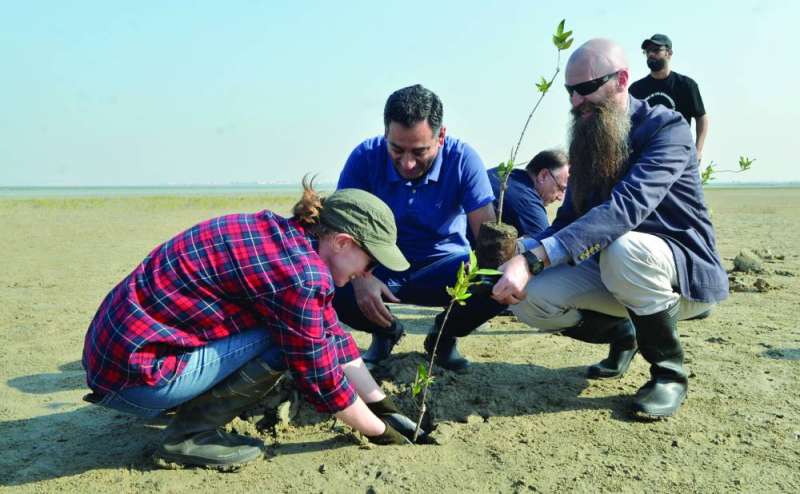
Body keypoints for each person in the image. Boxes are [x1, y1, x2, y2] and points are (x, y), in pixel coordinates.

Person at [82, 180, 421, 470]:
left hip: (117, 361)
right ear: (343, 242)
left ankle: (183, 402)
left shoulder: (282, 237)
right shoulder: (302, 277)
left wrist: (381, 404)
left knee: (301, 330)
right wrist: (379, 432)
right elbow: (321, 376)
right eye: (371, 261)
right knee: (284, 344)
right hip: (139, 379)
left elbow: (332, 332)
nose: (367, 273)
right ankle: (187, 437)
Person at [491, 38, 728, 419]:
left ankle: (669, 374)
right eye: (570, 91)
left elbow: (625, 209)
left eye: (586, 89)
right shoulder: (589, 138)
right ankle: (626, 335)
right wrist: (523, 251)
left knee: (622, 249)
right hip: (617, 272)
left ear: (621, 80)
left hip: (677, 273)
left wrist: (535, 258)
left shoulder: (666, 130)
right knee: (530, 298)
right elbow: (568, 222)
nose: (576, 101)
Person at [334, 84, 505, 373]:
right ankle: (385, 331)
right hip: (380, 267)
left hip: (446, 266)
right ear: (386, 132)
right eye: (397, 149)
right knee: (327, 279)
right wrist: (360, 277)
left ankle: (444, 336)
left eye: (420, 151)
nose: (408, 163)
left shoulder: (463, 160)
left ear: (441, 136)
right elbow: (342, 229)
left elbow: (488, 242)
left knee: (497, 278)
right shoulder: (364, 157)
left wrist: (505, 269)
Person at [629, 34, 709, 163]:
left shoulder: (686, 85)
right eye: (647, 51)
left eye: (656, 50)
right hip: (646, 155)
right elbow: (629, 123)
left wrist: (698, 150)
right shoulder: (636, 89)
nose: (650, 54)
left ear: (669, 53)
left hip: (678, 153)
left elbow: (701, 118)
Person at [487, 149, 569, 237]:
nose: (560, 197)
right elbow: (545, 246)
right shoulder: (527, 201)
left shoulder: (502, 174)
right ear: (543, 175)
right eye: (560, 188)